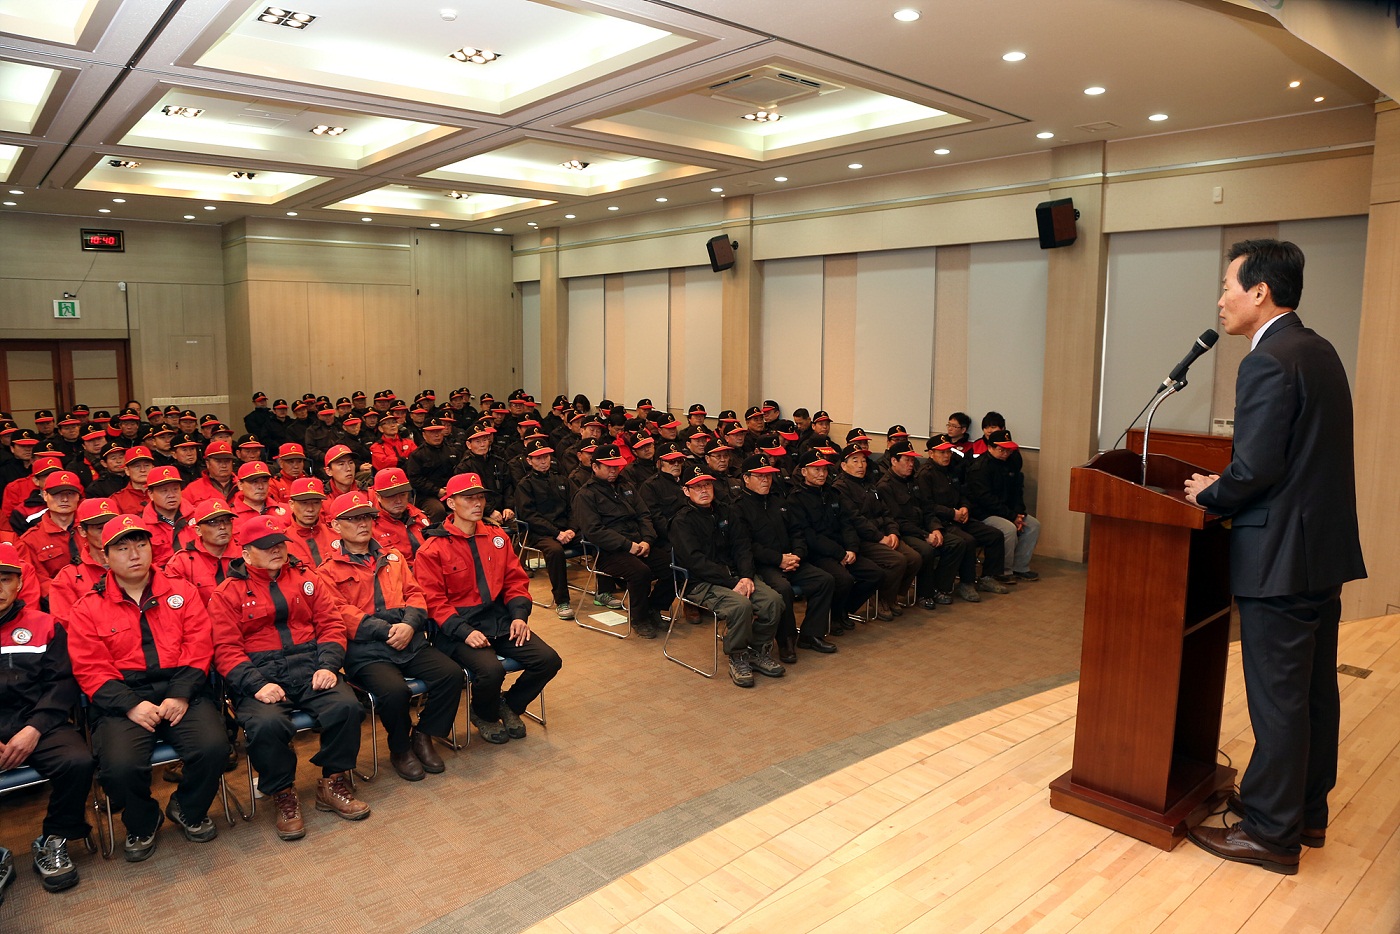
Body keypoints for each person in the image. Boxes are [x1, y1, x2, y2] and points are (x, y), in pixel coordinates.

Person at [1184, 239, 1367, 875]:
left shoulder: (1266, 360)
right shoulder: (1318, 350)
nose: (1221, 299)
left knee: (1279, 698)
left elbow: (1258, 465)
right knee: (1314, 692)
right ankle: (1305, 811)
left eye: (1228, 286)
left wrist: (1213, 490)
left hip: (1279, 555)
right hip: (1320, 552)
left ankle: (1269, 832)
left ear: (1260, 291)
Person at [65, 516, 230, 861]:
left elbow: (200, 644)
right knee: (119, 769)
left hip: (180, 688)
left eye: (140, 544)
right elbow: (90, 668)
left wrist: (181, 693)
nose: (134, 554)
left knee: (215, 748)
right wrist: (130, 705)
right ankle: (143, 820)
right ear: (105, 556)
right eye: (122, 548)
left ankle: (187, 806)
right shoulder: (88, 608)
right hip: (124, 699)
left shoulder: (182, 591)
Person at [207, 514, 370, 841]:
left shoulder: (305, 577)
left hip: (311, 664)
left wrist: (328, 664)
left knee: (347, 707)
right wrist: (257, 684)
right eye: (267, 547)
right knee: (266, 725)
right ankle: (282, 791)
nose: (277, 551)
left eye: (280, 544)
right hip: (261, 672)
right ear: (246, 552)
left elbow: (331, 625)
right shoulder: (228, 592)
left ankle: (333, 781)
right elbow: (224, 649)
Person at [318, 491, 462, 781]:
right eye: (353, 519)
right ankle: (400, 747)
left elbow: (416, 593)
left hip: (408, 637)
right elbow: (340, 612)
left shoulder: (393, 556)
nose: (363, 524)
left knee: (451, 675)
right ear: (335, 526)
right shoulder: (327, 569)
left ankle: (423, 735)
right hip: (366, 648)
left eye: (367, 517)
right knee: (395, 692)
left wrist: (410, 624)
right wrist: (386, 631)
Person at [416, 473, 562, 745]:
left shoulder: (496, 537)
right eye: (468, 498)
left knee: (548, 659)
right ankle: (484, 714)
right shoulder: (432, 549)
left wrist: (519, 616)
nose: (477, 503)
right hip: (458, 629)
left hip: (499, 620)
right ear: (450, 503)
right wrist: (463, 631)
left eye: (480, 497)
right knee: (491, 671)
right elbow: (433, 601)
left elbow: (515, 580)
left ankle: (508, 705)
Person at [0, 542, 94, 897]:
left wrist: (33, 729)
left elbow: (63, 683)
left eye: (6, 579)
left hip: (38, 720)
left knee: (79, 761)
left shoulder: (44, 624)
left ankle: (53, 838)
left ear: (19, 583)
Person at [669, 466, 785, 688]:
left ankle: (756, 650)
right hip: (701, 582)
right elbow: (696, 562)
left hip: (737, 576)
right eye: (697, 486)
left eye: (707, 485)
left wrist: (747, 576)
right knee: (740, 606)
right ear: (686, 491)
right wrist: (733, 582)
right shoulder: (681, 521)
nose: (704, 490)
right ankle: (738, 655)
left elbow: (742, 547)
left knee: (773, 601)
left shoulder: (726, 511)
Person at [733, 453, 837, 660]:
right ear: (746, 478)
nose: (766, 480)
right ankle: (786, 640)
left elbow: (797, 532)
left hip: (791, 559)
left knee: (825, 580)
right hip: (764, 565)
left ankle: (810, 634)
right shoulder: (737, 508)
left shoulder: (778, 501)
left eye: (769, 476)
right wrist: (778, 559)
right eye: (760, 476)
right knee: (783, 590)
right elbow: (745, 545)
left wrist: (797, 555)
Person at [572, 444, 673, 637]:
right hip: (609, 552)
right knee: (640, 572)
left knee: (672, 567)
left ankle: (653, 607)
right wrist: (628, 546)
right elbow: (595, 531)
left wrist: (647, 541)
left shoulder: (626, 487)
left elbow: (644, 515)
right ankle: (640, 618)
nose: (614, 470)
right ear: (595, 467)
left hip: (639, 544)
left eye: (616, 466)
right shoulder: (586, 495)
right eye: (608, 466)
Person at [964, 430, 1040, 583]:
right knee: (1008, 529)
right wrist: (1011, 517)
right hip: (984, 513)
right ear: (990, 448)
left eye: (1008, 449)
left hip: (1007, 510)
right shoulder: (980, 467)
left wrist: (1019, 513)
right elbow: (986, 500)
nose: (1006, 453)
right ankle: (1003, 571)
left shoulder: (1012, 463)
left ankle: (1020, 567)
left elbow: (1017, 492)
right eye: (1001, 449)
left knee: (1033, 525)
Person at [163, 499, 238, 606]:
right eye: (213, 522)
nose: (222, 527)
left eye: (226, 520)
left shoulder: (246, 557)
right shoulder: (180, 563)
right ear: (198, 530)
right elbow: (176, 606)